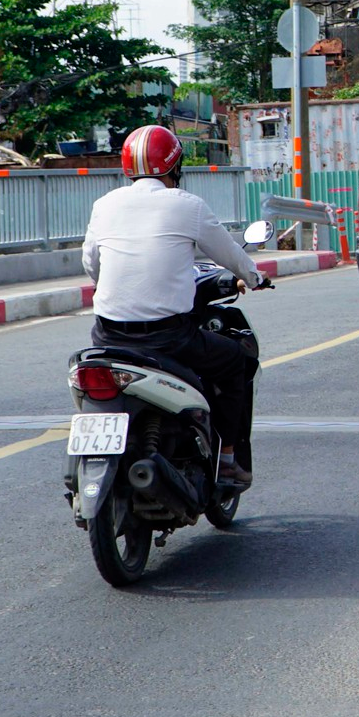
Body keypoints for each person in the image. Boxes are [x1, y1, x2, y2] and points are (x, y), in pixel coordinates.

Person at [82, 124, 269, 489]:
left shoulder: (104, 205)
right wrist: (254, 276)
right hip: (168, 339)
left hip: (107, 334)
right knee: (234, 361)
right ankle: (227, 459)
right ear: (174, 167)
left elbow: (91, 264)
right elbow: (230, 253)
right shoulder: (188, 206)